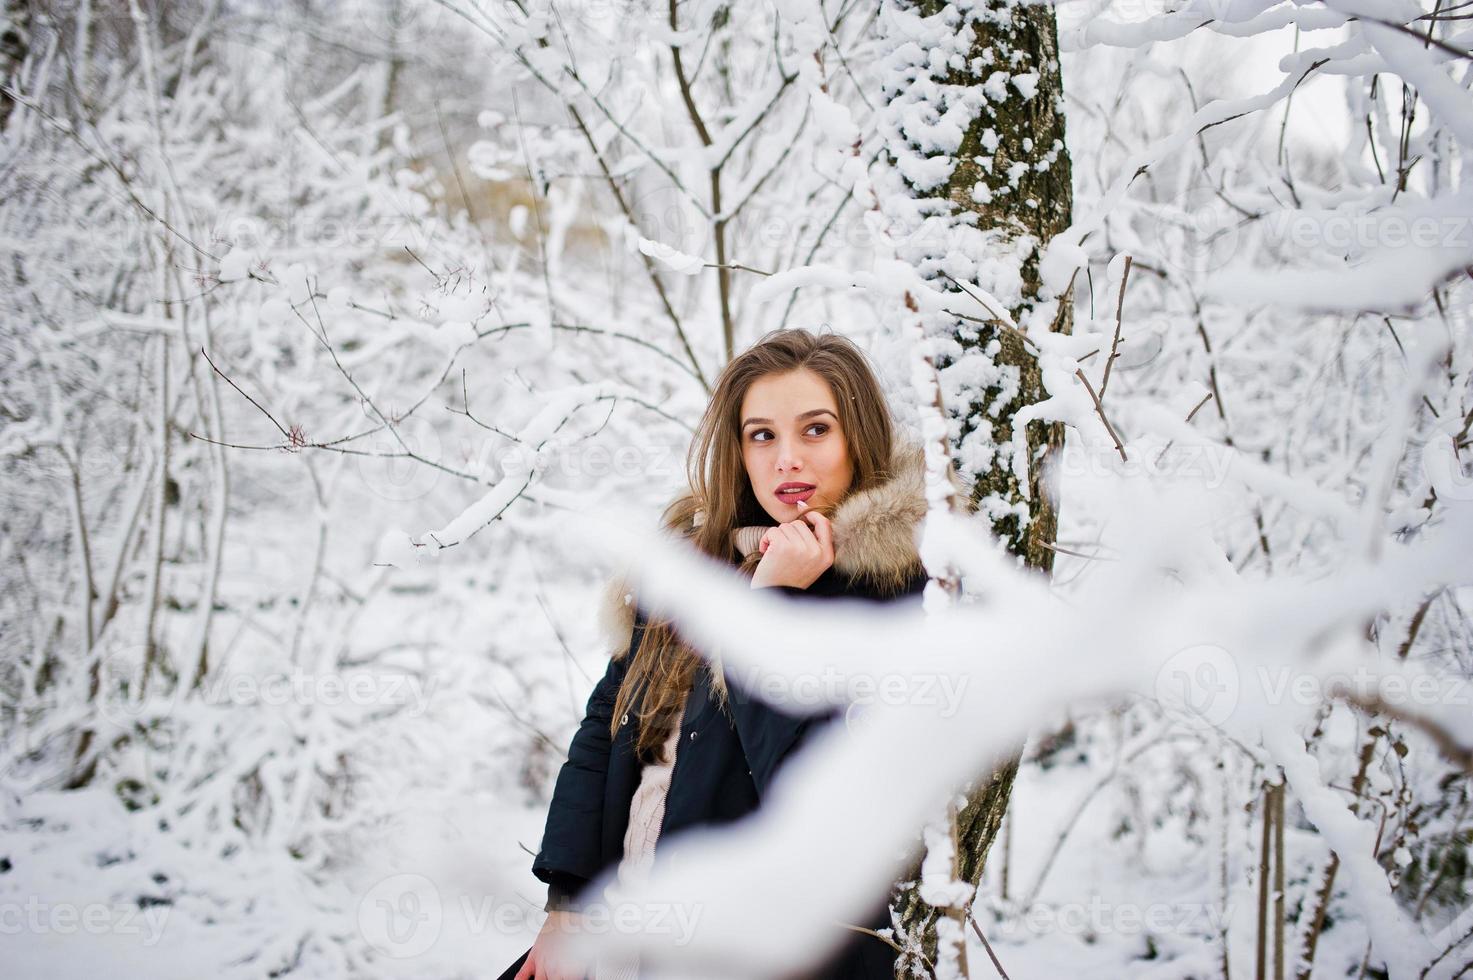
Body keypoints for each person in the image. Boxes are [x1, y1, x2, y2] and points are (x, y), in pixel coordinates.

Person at [504, 328, 966, 980]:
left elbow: (820, 794)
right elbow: (604, 729)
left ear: (857, 436)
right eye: (761, 435)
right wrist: (566, 901)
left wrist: (771, 607)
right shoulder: (692, 567)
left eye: (814, 430)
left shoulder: (899, 592)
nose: (786, 460)